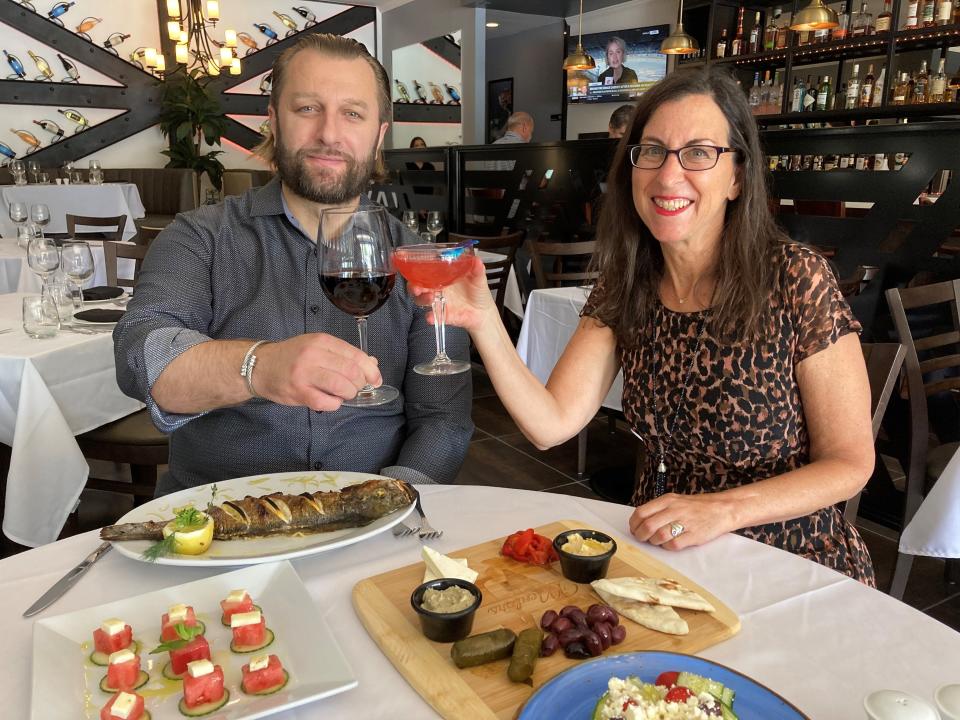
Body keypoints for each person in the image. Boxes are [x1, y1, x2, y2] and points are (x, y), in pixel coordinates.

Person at [409, 66, 876, 585]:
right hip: (669, 553)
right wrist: (482, 319)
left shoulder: (794, 277)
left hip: (792, 559)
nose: (668, 175)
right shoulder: (627, 284)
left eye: (699, 152)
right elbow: (550, 424)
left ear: (738, 176)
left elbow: (850, 462)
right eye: (652, 150)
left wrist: (723, 510)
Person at [114, 33, 473, 496]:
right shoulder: (199, 236)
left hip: (373, 519)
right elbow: (141, 358)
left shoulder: (416, 264)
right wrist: (257, 367)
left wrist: (389, 504)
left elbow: (443, 419)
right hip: (216, 520)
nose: (328, 133)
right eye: (307, 108)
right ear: (274, 122)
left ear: (379, 135)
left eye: (353, 113)